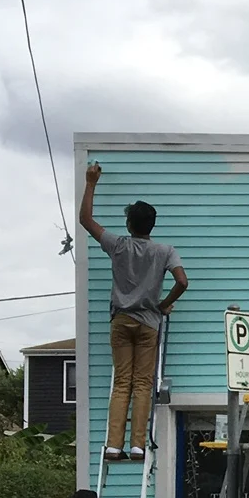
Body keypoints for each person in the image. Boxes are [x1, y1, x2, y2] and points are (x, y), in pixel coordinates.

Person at [80, 160, 187, 463]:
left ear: (130, 225)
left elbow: (86, 220)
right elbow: (182, 281)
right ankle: (138, 444)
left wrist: (91, 182)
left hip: (121, 320)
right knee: (142, 384)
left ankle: (114, 446)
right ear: (151, 226)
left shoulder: (118, 245)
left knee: (122, 382)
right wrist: (164, 304)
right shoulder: (164, 251)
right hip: (149, 323)